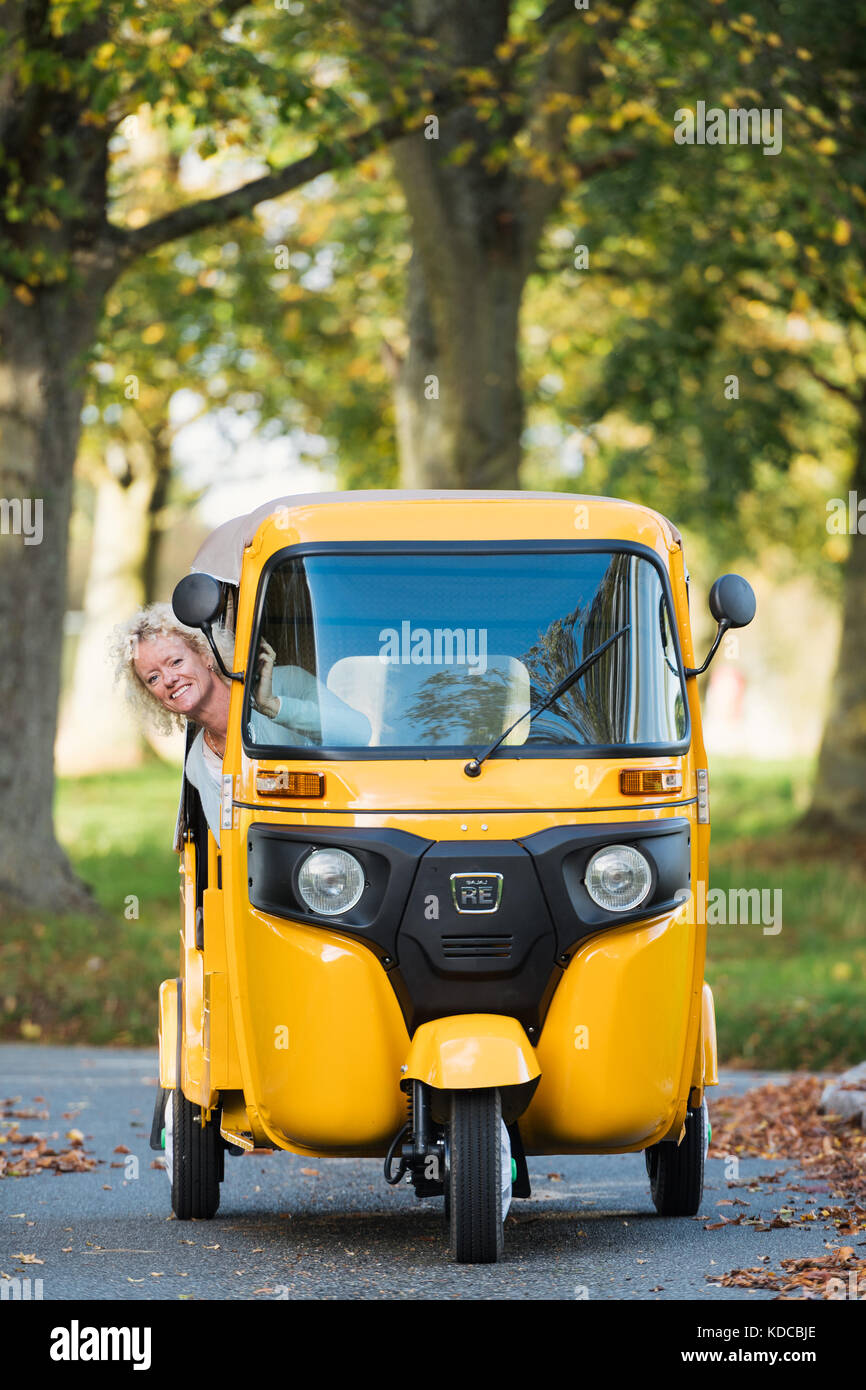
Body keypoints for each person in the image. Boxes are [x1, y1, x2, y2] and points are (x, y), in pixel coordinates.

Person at [111, 603, 370, 844]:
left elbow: (359, 733)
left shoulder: (288, 683)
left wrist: (271, 706)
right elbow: (232, 844)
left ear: (205, 655)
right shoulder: (197, 764)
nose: (168, 679)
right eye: (153, 678)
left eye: (176, 662)